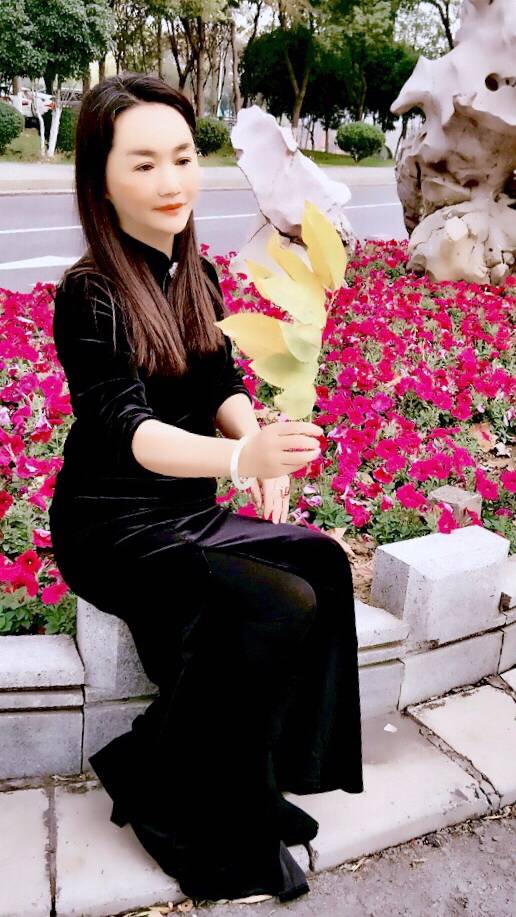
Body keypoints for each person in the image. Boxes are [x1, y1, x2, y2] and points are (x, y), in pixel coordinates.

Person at [48, 71, 364, 906]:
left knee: (321, 562)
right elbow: (128, 429)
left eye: (183, 158)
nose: (171, 181)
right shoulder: (89, 292)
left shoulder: (198, 272)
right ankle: (158, 777)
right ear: (101, 179)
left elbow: (220, 381)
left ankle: (254, 776)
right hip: (113, 524)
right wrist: (237, 461)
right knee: (274, 602)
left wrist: (258, 445)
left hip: (185, 506)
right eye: (144, 163)